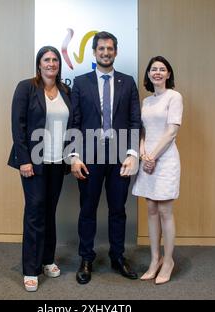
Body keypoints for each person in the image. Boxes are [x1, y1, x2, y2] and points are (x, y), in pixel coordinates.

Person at [70, 31, 142, 284]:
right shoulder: (80, 83)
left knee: (118, 210)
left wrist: (133, 153)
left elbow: (135, 121)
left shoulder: (128, 82)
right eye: (101, 49)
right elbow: (75, 122)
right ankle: (86, 258)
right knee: (87, 209)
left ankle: (118, 257)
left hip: (120, 157)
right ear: (94, 52)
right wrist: (75, 155)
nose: (105, 53)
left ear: (116, 52)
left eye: (110, 48)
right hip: (89, 157)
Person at [7, 46, 73, 292]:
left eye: (55, 60)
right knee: (35, 212)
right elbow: (18, 125)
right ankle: (30, 269)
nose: (51, 63)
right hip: (33, 163)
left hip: (58, 162)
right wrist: (24, 159)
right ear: (39, 63)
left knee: (49, 212)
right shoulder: (26, 88)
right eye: (47, 59)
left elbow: (73, 125)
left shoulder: (66, 91)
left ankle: (47, 259)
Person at [132, 56, 183, 284]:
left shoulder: (174, 97)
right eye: (154, 69)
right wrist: (143, 154)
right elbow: (142, 131)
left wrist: (152, 156)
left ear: (169, 74)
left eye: (163, 69)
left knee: (165, 210)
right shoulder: (146, 101)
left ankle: (169, 260)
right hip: (148, 160)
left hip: (165, 159)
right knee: (151, 208)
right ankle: (155, 259)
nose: (158, 72)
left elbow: (172, 132)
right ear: (149, 74)